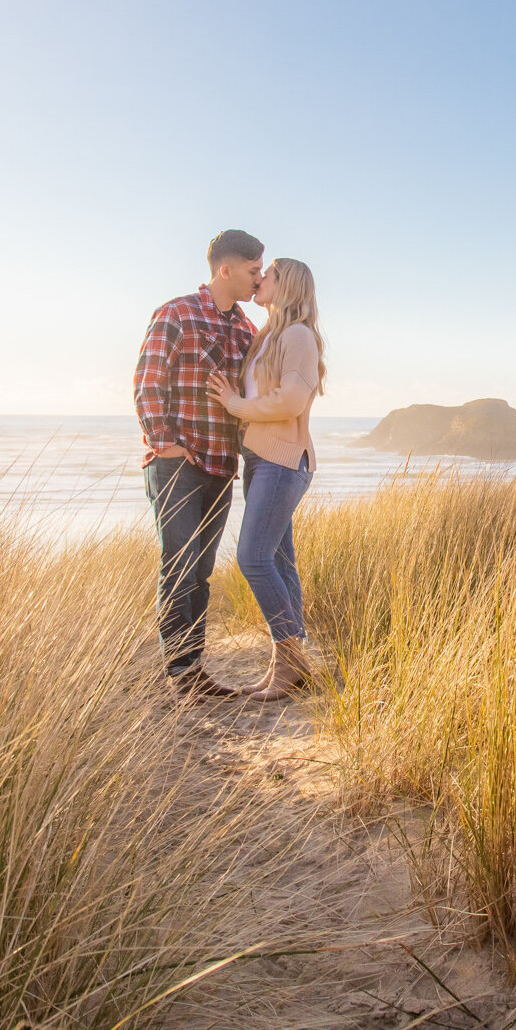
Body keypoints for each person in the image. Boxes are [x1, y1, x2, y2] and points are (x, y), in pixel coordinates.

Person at [134, 230, 263, 697]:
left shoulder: (247, 328)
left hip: (220, 467)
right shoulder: (176, 312)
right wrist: (164, 443)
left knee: (202, 572)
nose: (259, 279)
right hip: (177, 463)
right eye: (253, 271)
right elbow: (148, 381)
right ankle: (179, 675)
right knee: (179, 565)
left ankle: (193, 670)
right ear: (225, 270)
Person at [207, 257, 324, 701]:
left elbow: (291, 400)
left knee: (254, 558)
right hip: (261, 459)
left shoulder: (298, 336)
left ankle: (291, 662)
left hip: (282, 459)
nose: (259, 279)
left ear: (286, 284)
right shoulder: (267, 336)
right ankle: (289, 666)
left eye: (267, 274)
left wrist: (235, 405)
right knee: (278, 561)